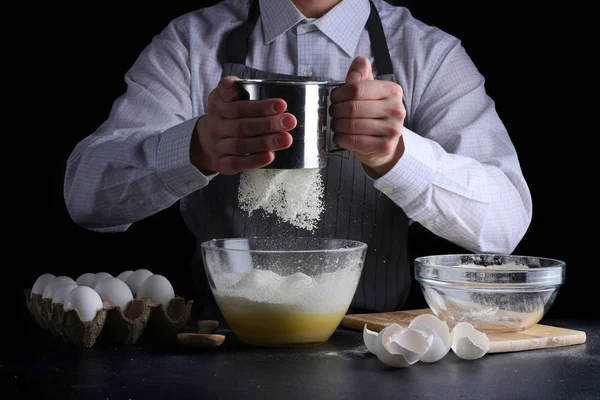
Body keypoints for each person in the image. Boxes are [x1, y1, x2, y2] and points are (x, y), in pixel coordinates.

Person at [63, 0, 532, 315]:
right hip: (218, 347)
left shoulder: (429, 55)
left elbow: (505, 224)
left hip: (376, 350)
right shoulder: (191, 44)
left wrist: (399, 155)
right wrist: (195, 148)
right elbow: (86, 198)